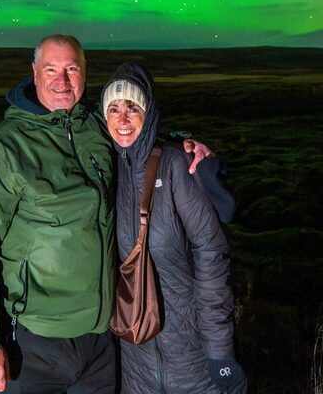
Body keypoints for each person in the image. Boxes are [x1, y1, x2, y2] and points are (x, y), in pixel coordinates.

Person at [0, 35, 214, 393]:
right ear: (34, 72)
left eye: (72, 69)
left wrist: (183, 145)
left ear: (84, 72)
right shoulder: (1, 149)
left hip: (100, 345)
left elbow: (133, 134)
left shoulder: (94, 128)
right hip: (33, 342)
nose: (63, 81)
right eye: (52, 69)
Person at [102, 62, 247, 394]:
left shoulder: (176, 165)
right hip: (135, 364)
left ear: (149, 113)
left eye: (133, 108)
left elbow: (212, 258)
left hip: (193, 360)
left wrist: (219, 353)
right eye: (113, 108)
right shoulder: (106, 169)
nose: (122, 119)